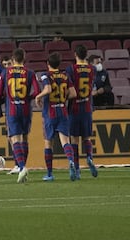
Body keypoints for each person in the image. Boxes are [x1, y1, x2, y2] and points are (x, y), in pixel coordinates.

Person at [0, 48, 41, 183]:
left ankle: (21, 167)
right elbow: (37, 91)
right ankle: (22, 166)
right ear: (24, 59)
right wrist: (28, 97)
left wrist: (6, 97)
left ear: (13, 60)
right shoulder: (30, 73)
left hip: (12, 109)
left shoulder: (5, 72)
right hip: (26, 109)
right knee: (25, 138)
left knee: (15, 138)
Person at [35, 52, 77, 181]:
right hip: (63, 111)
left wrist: (38, 96)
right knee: (65, 141)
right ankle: (71, 161)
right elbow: (73, 94)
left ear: (48, 64)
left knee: (48, 143)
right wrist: (63, 98)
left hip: (50, 112)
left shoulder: (45, 75)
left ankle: (49, 174)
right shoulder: (65, 75)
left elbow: (47, 89)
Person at [65, 45, 98, 179]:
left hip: (74, 108)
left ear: (75, 55)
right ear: (86, 55)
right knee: (86, 137)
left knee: (74, 139)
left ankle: (77, 169)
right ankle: (89, 158)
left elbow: (70, 89)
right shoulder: (92, 69)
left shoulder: (71, 69)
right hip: (87, 107)